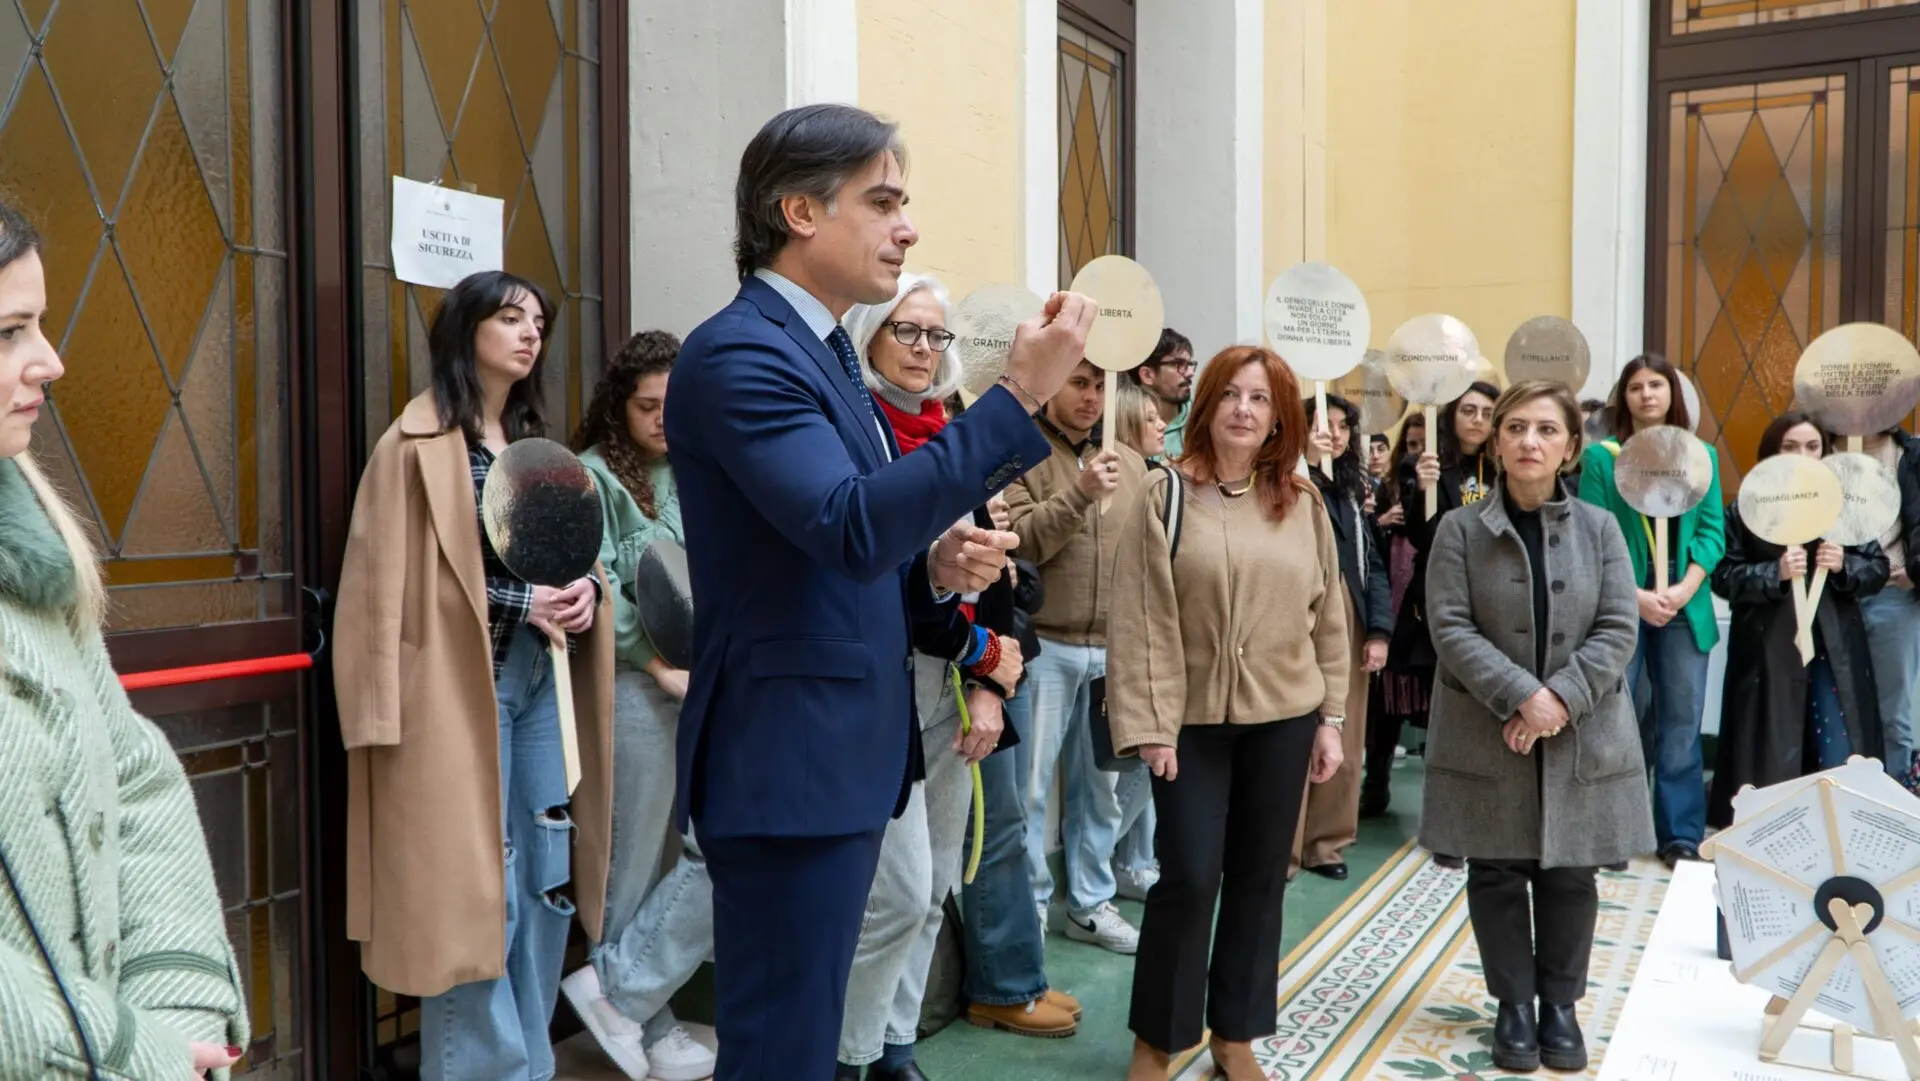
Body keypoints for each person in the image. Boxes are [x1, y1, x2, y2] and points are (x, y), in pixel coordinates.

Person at [664, 103, 1093, 1081]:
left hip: (838, 755)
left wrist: (933, 565)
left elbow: (851, 536)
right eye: (884, 200)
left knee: (806, 1044)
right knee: (781, 1051)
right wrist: (1016, 398)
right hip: (788, 761)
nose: (907, 226)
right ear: (800, 210)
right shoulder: (740, 353)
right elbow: (847, 524)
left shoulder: (818, 353)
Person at [335, 270, 613, 1080]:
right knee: (473, 894)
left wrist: (588, 591)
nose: (530, 333)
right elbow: (389, 584)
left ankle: (527, 1064)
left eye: (539, 321)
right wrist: (524, 600)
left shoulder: (534, 445)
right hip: (460, 692)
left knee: (542, 883)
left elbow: (579, 557)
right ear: (465, 331)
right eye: (509, 317)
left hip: (539, 682)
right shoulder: (416, 445)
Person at [0, 201, 249, 1080]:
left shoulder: (33, 559)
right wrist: (130, 1050)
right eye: (9, 331)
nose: (50, 361)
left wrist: (177, 1003)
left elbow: (133, 773)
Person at [1106, 345, 1350, 1081]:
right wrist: (1151, 725)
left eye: (1260, 399)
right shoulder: (1163, 495)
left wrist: (1331, 716)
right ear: (1205, 406)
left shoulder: (1302, 504)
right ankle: (1158, 1035)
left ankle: (1235, 1033)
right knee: (1185, 875)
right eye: (1230, 396)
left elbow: (1328, 611)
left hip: (1284, 717)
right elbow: (1140, 617)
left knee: (1257, 875)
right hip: (1190, 724)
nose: (1244, 410)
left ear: (1279, 418)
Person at [834, 273, 1036, 1078]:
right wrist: (977, 650)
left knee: (939, 882)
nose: (923, 350)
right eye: (906, 332)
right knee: (899, 893)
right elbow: (885, 574)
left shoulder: (950, 433)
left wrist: (989, 680)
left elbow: (1016, 583)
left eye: (935, 336)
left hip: (954, 691)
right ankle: (846, 1053)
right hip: (887, 683)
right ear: (869, 337)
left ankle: (894, 1043)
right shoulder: (859, 431)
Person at [1420, 380, 1651, 1074]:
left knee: (1571, 871)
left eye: (1546, 429)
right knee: (1495, 869)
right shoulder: (1460, 529)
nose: (1529, 441)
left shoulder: (1600, 528)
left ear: (1570, 445)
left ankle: (1561, 1004)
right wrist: (1524, 696)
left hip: (1583, 729)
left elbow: (1618, 625)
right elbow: (1449, 625)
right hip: (1485, 727)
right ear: (1495, 441)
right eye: (1515, 427)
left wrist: (1561, 699)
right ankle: (1514, 1004)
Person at [560, 329, 718, 1081]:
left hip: (706, 684)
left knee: (697, 853)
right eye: (647, 405)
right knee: (630, 860)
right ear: (617, 406)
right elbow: (600, 589)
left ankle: (628, 998)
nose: (662, 418)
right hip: (632, 687)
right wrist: (653, 663)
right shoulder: (592, 478)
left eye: (673, 405)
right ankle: (644, 1021)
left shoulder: (696, 472)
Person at [1003, 358, 1151, 954]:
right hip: (1046, 646)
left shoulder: (1134, 464)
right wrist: (1080, 493)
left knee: (1102, 790)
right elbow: (1022, 543)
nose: (1091, 397)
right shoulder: (1019, 451)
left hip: (1113, 650)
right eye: (1079, 383)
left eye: (1099, 386)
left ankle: (1089, 903)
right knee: (1031, 789)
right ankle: (1032, 904)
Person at [1577, 354, 1724, 868]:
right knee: (1618, 720)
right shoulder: (1602, 458)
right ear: (1625, 398)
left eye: (1655, 384)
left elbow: (1711, 534)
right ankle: (1614, 830)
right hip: (1624, 605)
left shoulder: (1700, 454)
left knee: (1681, 727)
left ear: (1672, 395)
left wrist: (1683, 589)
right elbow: (1594, 534)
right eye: (1635, 386)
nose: (1646, 394)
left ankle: (1679, 834)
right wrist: (1636, 597)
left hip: (1685, 608)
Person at [1708, 414, 1887, 825]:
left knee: (1839, 741)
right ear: (1773, 451)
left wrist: (1845, 565)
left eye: (1813, 447)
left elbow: (1875, 569)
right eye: (1791, 446)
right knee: (1770, 747)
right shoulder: (1747, 507)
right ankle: (1769, 833)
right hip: (1769, 647)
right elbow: (1723, 576)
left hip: (1833, 646)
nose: (1803, 455)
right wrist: (1774, 574)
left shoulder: (1844, 505)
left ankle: (1842, 831)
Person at [1398, 382, 1497, 869]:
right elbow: (1420, 535)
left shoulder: (1505, 468)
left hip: (1498, 609)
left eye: (1486, 412)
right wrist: (1422, 489)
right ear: (1452, 416)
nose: (1476, 420)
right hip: (1446, 605)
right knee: (1449, 723)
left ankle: (1488, 821)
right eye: (1468, 411)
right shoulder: (1431, 464)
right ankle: (1446, 829)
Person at [1295, 394, 1391, 881]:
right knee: (1291, 734)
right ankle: (1283, 849)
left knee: (1345, 736)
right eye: (1320, 423)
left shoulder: (1354, 492)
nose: (1332, 432)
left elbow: (1372, 564)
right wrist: (1307, 463)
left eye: (1341, 425)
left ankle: (1326, 843)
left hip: (1348, 620)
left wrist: (1378, 630)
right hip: (1292, 620)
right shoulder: (1286, 478)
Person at [1860, 425, 1920, 785]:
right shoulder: (1822, 445)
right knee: (1835, 705)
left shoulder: (1910, 454)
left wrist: (1916, 570)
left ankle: (1894, 799)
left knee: (1893, 710)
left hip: (1893, 595)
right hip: (1834, 595)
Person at [1128, 328, 1194, 458]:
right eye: (1179, 364)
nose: (1190, 373)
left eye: (1190, 364)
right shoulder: (1122, 424)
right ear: (1147, 375)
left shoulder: (1202, 419)